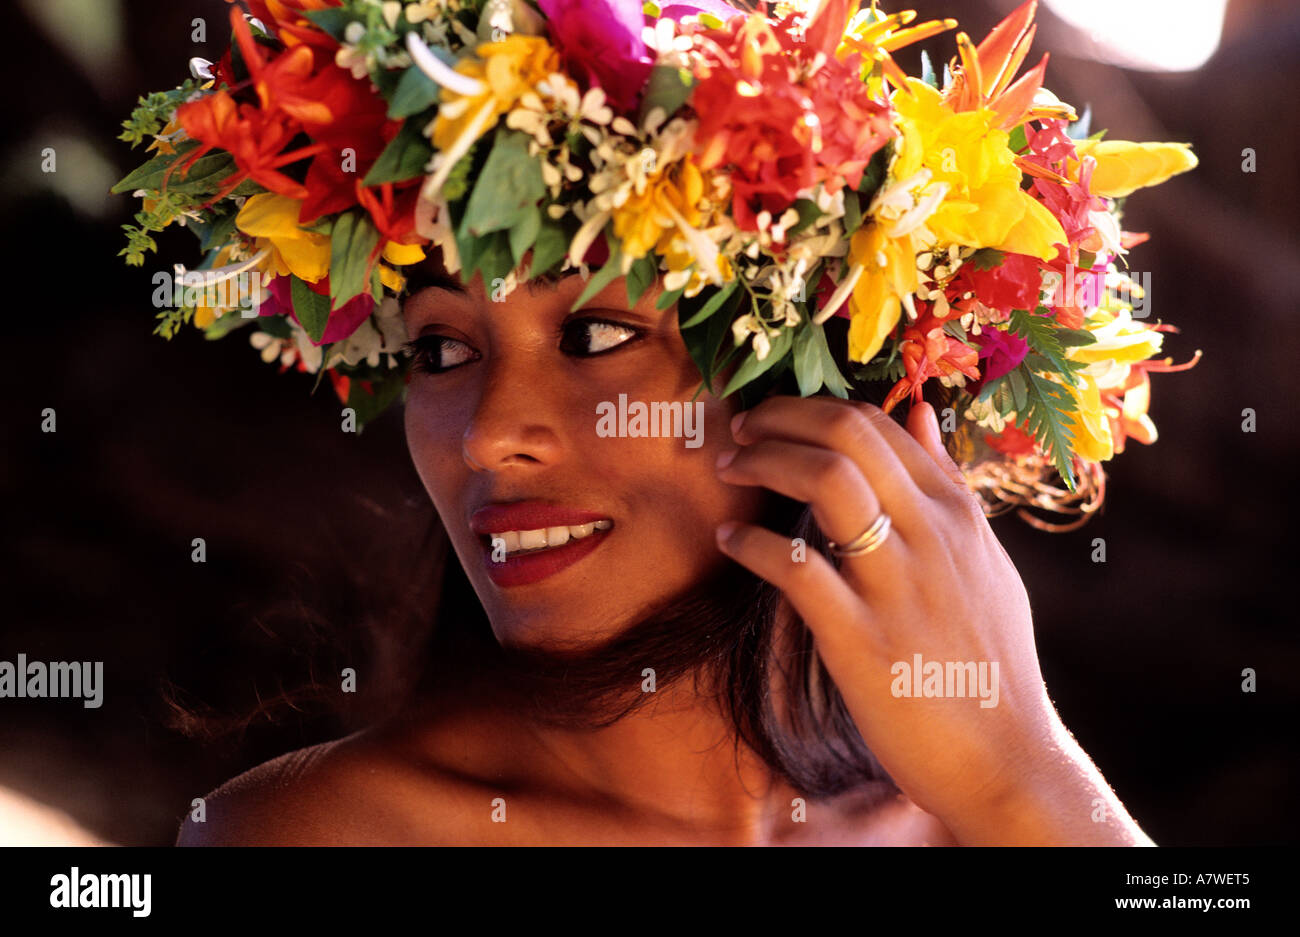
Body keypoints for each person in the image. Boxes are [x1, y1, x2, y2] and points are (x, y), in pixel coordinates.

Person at [176, 253, 1152, 846]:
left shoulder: (978, 821)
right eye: (441, 349)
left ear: (830, 381)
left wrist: (1023, 776)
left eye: (597, 333)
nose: (487, 435)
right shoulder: (312, 835)